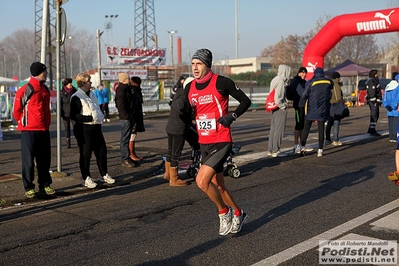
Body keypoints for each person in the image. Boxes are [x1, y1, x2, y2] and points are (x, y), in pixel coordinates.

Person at [187, 48, 251, 235]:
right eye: (193, 64)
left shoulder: (221, 82)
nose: (195, 68)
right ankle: (239, 213)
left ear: (207, 65)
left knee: (201, 181)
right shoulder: (190, 87)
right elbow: (189, 111)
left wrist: (232, 116)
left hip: (221, 141)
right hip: (204, 142)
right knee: (220, 186)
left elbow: (245, 101)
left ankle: (224, 212)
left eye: (199, 64)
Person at [12, 62, 55, 198]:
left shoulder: (45, 89)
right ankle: (29, 187)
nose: (47, 73)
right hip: (29, 131)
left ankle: (45, 184)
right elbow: (16, 110)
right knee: (28, 160)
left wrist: (47, 124)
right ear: (39, 73)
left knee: (44, 160)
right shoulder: (25, 89)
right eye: (45, 71)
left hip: (44, 130)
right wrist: (24, 122)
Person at [70, 73, 115, 188]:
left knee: (101, 151)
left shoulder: (92, 94)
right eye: (89, 81)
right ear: (83, 83)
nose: (91, 83)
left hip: (96, 127)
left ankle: (104, 174)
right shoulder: (76, 97)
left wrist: (100, 116)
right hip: (84, 128)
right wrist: (89, 118)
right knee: (86, 154)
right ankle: (86, 178)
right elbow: (74, 115)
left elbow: (97, 108)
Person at [164, 77, 197, 186]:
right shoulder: (184, 95)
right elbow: (179, 107)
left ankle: (168, 173)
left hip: (171, 126)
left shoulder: (179, 92)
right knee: (176, 153)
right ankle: (174, 179)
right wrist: (188, 114)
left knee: (170, 151)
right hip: (178, 128)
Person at [300, 67, 332, 157]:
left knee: (306, 128)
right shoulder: (328, 82)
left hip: (311, 109)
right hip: (323, 109)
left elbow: (304, 95)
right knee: (321, 130)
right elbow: (331, 86)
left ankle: (302, 147)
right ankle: (320, 150)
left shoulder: (311, 82)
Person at [267, 64, 291, 157]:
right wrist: (283, 106)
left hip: (273, 107)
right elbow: (278, 98)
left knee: (273, 129)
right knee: (279, 130)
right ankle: (276, 150)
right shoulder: (281, 81)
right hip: (279, 108)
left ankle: (271, 149)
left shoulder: (275, 79)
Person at [115, 73, 136, 168]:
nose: (129, 79)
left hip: (128, 117)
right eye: (127, 78)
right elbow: (120, 105)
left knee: (126, 138)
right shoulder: (121, 90)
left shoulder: (126, 89)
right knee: (124, 139)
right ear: (124, 79)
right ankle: (125, 158)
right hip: (125, 118)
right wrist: (126, 116)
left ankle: (127, 157)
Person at [291, 67, 308, 154]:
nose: (304, 75)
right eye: (302, 73)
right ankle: (295, 144)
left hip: (304, 106)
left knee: (303, 125)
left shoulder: (304, 82)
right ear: (299, 73)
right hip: (298, 105)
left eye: (305, 73)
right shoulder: (296, 81)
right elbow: (302, 93)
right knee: (298, 125)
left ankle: (302, 144)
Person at [325, 71, 344, 146]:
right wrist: (341, 100)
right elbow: (338, 97)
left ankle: (327, 139)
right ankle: (335, 139)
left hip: (330, 105)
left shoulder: (328, 84)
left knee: (329, 123)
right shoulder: (335, 85)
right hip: (336, 105)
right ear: (337, 78)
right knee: (336, 122)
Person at [129, 76, 145, 161]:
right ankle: (131, 153)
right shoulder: (133, 91)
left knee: (133, 135)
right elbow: (133, 105)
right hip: (134, 116)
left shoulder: (136, 91)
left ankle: (132, 153)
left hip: (137, 115)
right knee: (132, 134)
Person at [60, 78, 77, 148]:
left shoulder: (74, 91)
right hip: (65, 113)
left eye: (71, 83)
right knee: (67, 128)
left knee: (76, 127)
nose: (71, 84)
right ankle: (68, 143)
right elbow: (60, 104)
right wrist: (61, 113)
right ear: (66, 84)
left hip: (74, 112)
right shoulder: (61, 93)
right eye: (69, 83)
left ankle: (79, 141)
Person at [383, 72, 399, 143]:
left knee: (391, 123)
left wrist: (386, 105)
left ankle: (391, 136)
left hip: (389, 108)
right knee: (396, 123)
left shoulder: (387, 86)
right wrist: (395, 105)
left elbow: (384, 97)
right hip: (396, 108)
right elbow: (397, 97)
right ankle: (395, 137)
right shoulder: (397, 86)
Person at [365, 69, 382, 136]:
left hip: (374, 101)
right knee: (374, 115)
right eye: (377, 74)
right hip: (373, 102)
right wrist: (374, 101)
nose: (378, 75)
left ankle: (371, 129)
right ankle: (372, 130)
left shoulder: (374, 81)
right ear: (375, 74)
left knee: (376, 115)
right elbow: (372, 93)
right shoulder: (372, 82)